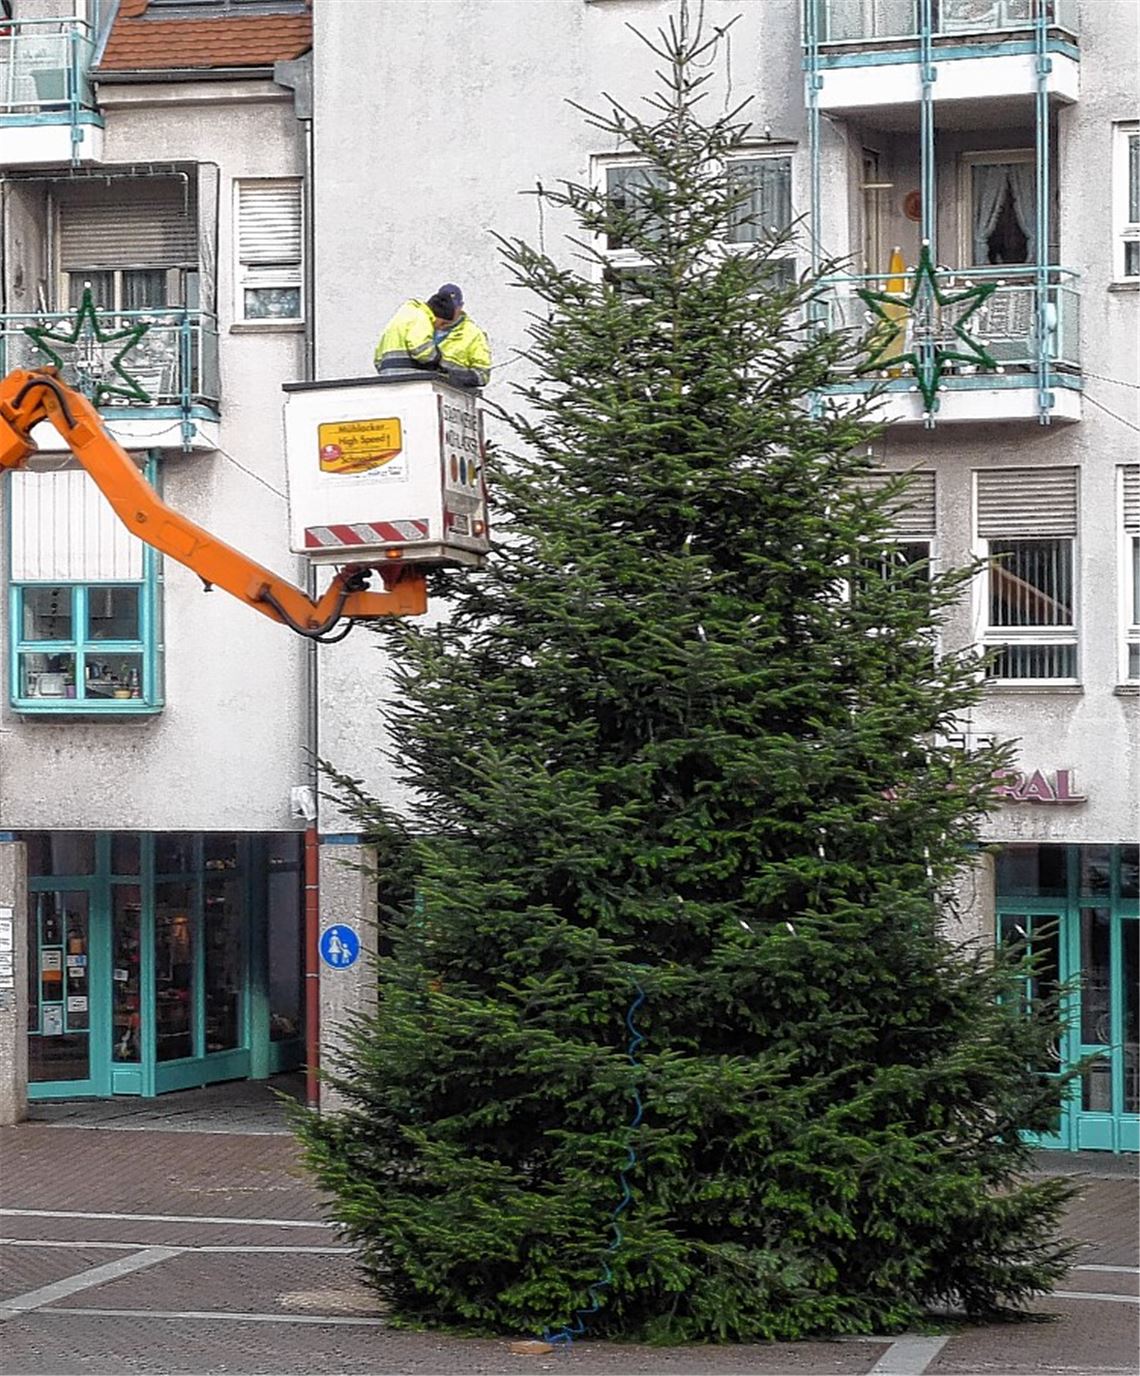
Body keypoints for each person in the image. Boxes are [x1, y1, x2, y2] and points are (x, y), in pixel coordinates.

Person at [373, 283, 490, 389]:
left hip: (392, 383)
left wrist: (454, 375)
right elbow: (423, 352)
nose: (438, 326)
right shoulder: (422, 319)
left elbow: (378, 359)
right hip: (414, 384)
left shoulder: (473, 334)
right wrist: (436, 362)